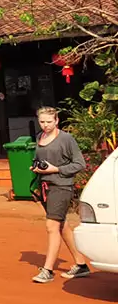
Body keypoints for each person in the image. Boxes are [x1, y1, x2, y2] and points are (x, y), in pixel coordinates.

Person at [30, 107, 92, 283]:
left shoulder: (66, 138)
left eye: (49, 122)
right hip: (45, 186)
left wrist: (56, 169)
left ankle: (47, 270)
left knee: (51, 226)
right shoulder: (39, 137)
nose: (45, 125)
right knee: (61, 225)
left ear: (57, 121)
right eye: (42, 122)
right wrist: (37, 168)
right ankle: (81, 265)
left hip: (62, 186)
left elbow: (79, 164)